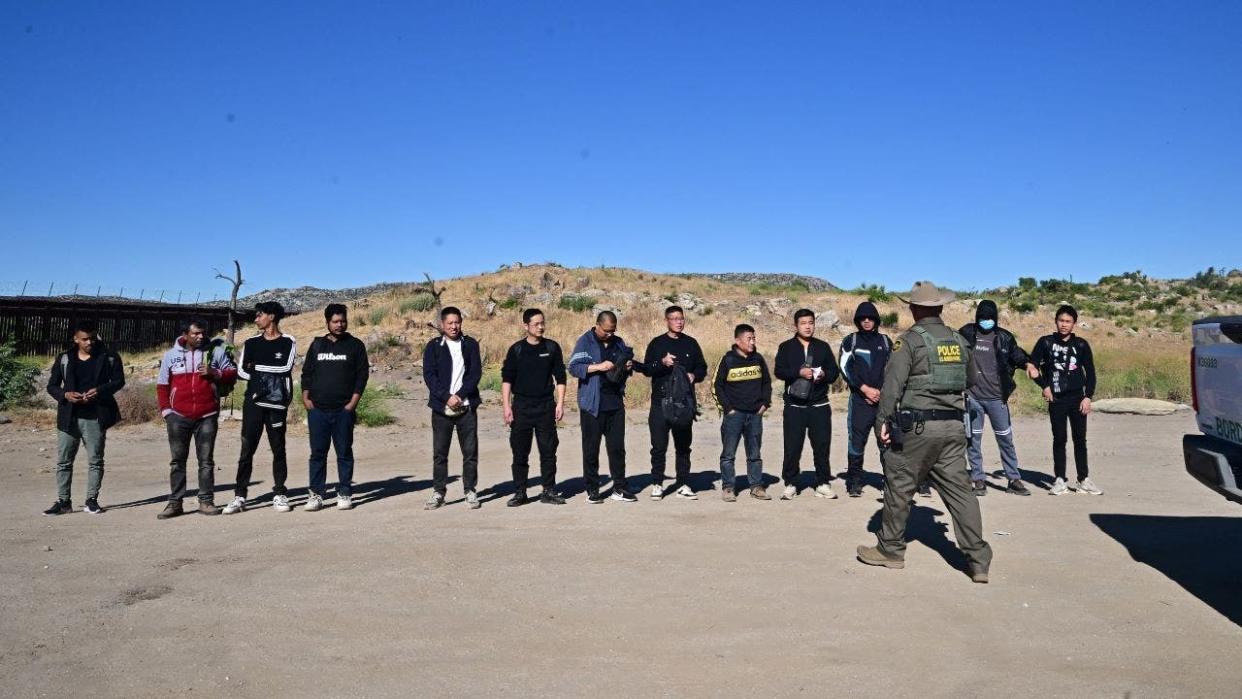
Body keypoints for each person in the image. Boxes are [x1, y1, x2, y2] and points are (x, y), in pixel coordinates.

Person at [856, 281, 992, 583]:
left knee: (899, 483)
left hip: (917, 428)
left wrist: (882, 424)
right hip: (954, 428)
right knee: (960, 492)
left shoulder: (909, 342)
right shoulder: (959, 341)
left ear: (914, 309)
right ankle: (978, 559)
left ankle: (890, 549)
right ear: (940, 308)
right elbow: (970, 379)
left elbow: (891, 387)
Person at [155, 319, 237, 519]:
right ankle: (175, 503)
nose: (201, 337)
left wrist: (215, 372)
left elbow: (233, 373)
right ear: (185, 334)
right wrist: (167, 411)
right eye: (196, 334)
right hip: (178, 417)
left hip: (207, 415)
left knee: (206, 461)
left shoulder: (214, 352)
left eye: (203, 333)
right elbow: (162, 385)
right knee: (177, 462)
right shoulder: (170, 356)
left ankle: (206, 501)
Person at [43, 322, 125, 516]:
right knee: (64, 462)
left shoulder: (109, 357)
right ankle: (63, 502)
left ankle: (92, 500)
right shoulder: (64, 358)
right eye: (85, 339)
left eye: (92, 338)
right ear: (76, 339)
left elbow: (119, 381)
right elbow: (52, 386)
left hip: (96, 416)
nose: (89, 342)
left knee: (95, 460)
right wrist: (65, 395)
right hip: (68, 417)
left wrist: (99, 391)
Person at [223, 302, 297, 514]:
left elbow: (285, 368)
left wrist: (256, 368)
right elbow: (242, 372)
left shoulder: (288, 342)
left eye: (259, 315)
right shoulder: (251, 342)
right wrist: (260, 372)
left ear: (271, 317)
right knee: (247, 450)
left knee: (278, 449)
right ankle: (239, 496)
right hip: (253, 403)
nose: (256, 319)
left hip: (277, 404)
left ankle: (280, 493)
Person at [959, 300, 1036, 497]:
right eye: (983, 318)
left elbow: (1016, 355)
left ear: (996, 318)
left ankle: (1013, 479)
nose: (986, 321)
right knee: (973, 440)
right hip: (972, 398)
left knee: (1005, 439)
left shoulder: (1004, 337)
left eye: (990, 318)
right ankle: (978, 479)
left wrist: (1028, 363)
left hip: (996, 398)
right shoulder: (967, 333)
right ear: (977, 318)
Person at [300, 303, 369, 512]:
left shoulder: (355, 345)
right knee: (317, 454)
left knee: (344, 452)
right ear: (327, 322)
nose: (340, 325)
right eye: (335, 321)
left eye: (343, 321)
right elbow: (307, 374)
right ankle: (316, 494)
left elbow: (362, 375)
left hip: (343, 411)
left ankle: (345, 492)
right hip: (318, 410)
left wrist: (353, 403)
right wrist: (306, 399)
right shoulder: (317, 345)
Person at [1030, 304, 1101, 495]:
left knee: (1080, 439)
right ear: (1056, 321)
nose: (1064, 324)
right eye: (1061, 320)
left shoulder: (1081, 345)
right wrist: (1044, 386)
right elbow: (1032, 367)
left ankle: (1083, 479)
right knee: (1059, 439)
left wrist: (1088, 397)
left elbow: (1091, 373)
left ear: (1074, 324)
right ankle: (1060, 479)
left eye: (1068, 321)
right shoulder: (1045, 342)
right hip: (1057, 398)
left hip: (1078, 397)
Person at [501, 308, 568, 506]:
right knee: (520, 452)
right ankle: (520, 492)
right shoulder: (516, 350)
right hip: (521, 407)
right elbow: (507, 380)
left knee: (548, 451)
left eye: (542, 323)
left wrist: (561, 403)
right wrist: (506, 407)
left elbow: (561, 377)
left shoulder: (552, 347)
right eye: (536, 324)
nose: (541, 327)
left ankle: (548, 490)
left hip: (546, 406)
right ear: (525, 326)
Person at [568, 310, 637, 503]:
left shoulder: (618, 342)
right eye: (606, 331)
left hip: (615, 403)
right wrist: (598, 367)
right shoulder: (585, 341)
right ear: (597, 325)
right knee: (591, 449)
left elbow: (623, 365)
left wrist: (627, 366)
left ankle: (620, 488)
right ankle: (592, 489)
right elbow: (573, 367)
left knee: (617, 449)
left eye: (613, 331)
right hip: (592, 405)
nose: (609, 334)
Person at [642, 305, 708, 501]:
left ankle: (683, 483)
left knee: (683, 446)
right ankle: (657, 483)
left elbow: (702, 368)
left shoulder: (691, 343)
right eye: (674, 319)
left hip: (683, 404)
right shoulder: (657, 344)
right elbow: (646, 369)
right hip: (660, 403)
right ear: (667, 321)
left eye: (681, 318)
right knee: (659, 446)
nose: (679, 322)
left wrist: (694, 375)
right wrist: (661, 363)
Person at [774, 309, 841, 500]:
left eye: (811, 322)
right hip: (794, 406)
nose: (808, 326)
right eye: (803, 323)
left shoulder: (823, 347)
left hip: (819, 405)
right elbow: (779, 371)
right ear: (796, 325)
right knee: (792, 446)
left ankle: (822, 482)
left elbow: (834, 372)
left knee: (821, 445)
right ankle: (791, 482)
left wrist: (823, 376)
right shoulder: (786, 347)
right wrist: (798, 372)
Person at [423, 306, 483, 510]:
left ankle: (470, 491)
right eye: (450, 323)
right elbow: (429, 376)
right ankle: (439, 491)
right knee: (440, 452)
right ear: (442, 325)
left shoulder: (471, 345)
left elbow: (475, 374)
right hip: (442, 409)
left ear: (461, 322)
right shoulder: (433, 347)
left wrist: (461, 395)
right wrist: (447, 397)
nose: (454, 326)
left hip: (466, 407)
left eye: (457, 322)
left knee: (470, 451)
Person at [712, 323, 772, 501]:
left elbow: (767, 383)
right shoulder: (727, 360)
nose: (753, 342)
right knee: (728, 454)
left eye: (754, 338)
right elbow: (717, 386)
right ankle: (729, 488)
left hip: (755, 414)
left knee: (754, 454)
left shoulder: (758, 359)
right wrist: (728, 409)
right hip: (734, 415)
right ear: (738, 341)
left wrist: (764, 404)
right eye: (749, 338)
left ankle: (756, 486)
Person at [838, 302, 892, 497]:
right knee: (857, 443)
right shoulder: (850, 341)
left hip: (882, 402)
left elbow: (893, 370)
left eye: (870, 318)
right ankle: (854, 482)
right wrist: (865, 390)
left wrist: (880, 393)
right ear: (858, 321)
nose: (867, 321)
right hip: (860, 401)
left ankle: (890, 484)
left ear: (876, 320)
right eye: (863, 318)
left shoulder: (886, 342)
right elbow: (845, 367)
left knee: (886, 442)